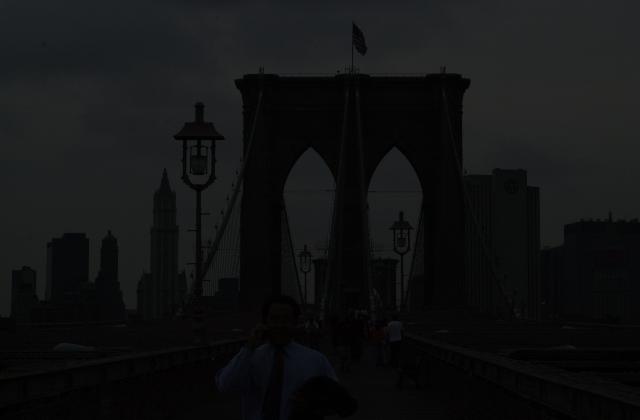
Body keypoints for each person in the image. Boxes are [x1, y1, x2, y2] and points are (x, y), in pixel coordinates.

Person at [215, 295, 340, 420]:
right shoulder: (251, 358)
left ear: (295, 322)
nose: (280, 325)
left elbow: (336, 399)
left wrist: (313, 404)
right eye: (274, 319)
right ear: (265, 322)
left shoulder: (316, 360)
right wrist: (249, 347)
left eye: (286, 319)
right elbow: (225, 386)